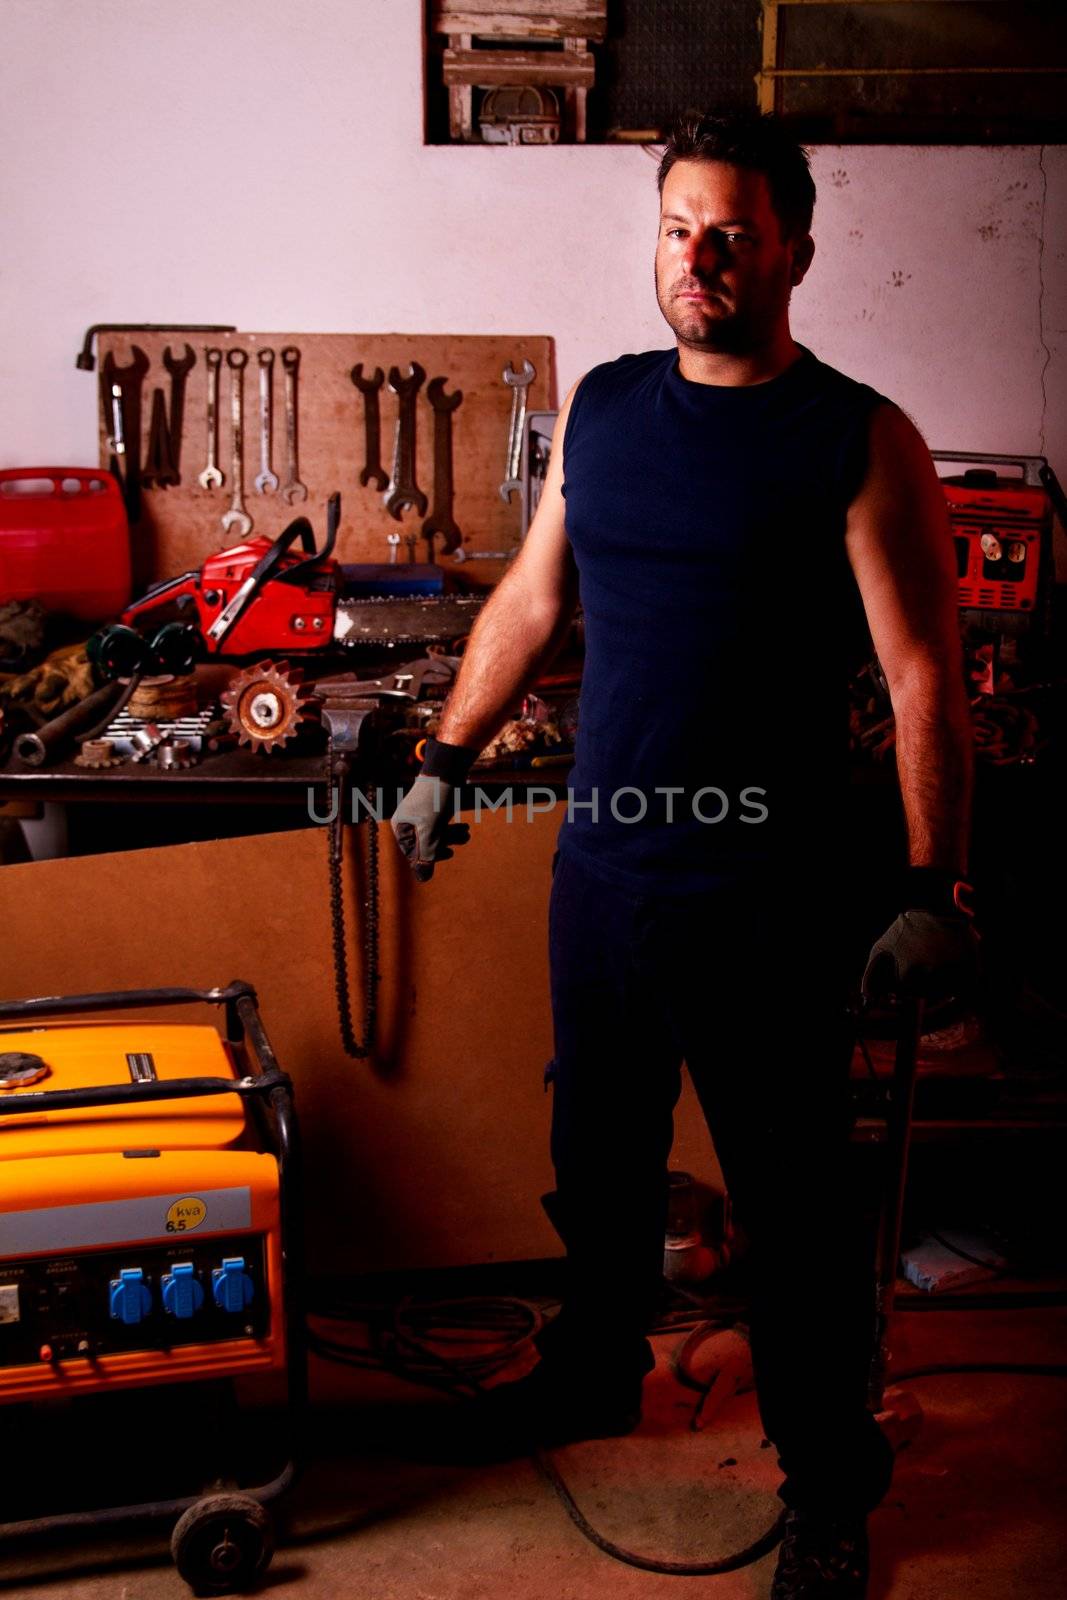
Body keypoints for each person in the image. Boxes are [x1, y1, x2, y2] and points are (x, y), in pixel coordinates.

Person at [391, 111, 979, 1600]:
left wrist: (930, 887)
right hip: (606, 877)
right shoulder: (601, 409)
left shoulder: (856, 434)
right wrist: (445, 759)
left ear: (793, 249)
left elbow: (922, 673)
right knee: (595, 1163)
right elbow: (532, 603)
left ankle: (832, 1486)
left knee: (793, 1214)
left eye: (730, 232)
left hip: (769, 892)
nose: (699, 256)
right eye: (677, 227)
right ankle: (595, 1371)